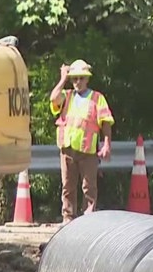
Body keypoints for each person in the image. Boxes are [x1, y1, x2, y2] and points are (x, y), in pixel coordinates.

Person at [49, 59, 114, 223]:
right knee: (67, 187)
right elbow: (53, 99)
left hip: (88, 150)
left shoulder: (97, 98)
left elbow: (106, 121)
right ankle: (68, 218)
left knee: (89, 187)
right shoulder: (67, 95)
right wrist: (63, 79)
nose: (77, 82)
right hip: (68, 148)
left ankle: (88, 218)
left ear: (87, 79)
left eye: (81, 78)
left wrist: (106, 144)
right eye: (74, 78)